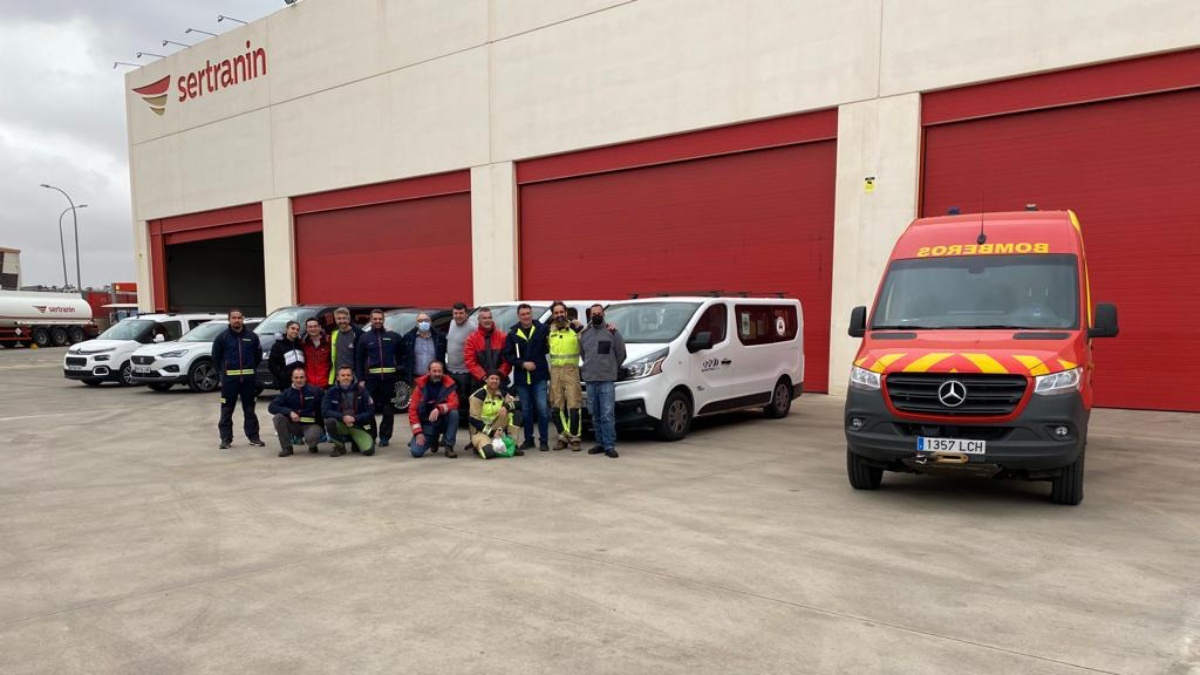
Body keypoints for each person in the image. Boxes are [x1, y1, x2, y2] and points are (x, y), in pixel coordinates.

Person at [212, 308, 265, 449]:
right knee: (226, 411)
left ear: (243, 319)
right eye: (234, 318)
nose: (237, 320)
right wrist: (223, 374)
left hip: (248, 381)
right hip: (229, 383)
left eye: (239, 317)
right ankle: (226, 439)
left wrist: (250, 369)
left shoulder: (252, 337)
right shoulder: (222, 338)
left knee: (249, 410)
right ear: (229, 320)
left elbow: (257, 356)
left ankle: (254, 437)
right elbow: (216, 359)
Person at [580, 304, 626, 458]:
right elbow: (583, 355)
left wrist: (611, 368)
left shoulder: (612, 333)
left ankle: (609, 445)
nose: (597, 315)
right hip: (590, 380)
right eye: (594, 313)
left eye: (599, 313)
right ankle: (599, 443)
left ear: (604, 314)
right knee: (595, 413)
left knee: (607, 414)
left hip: (606, 380)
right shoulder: (585, 334)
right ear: (590, 316)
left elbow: (621, 354)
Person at [504, 303, 550, 451]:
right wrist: (523, 364)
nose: (526, 317)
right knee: (526, 411)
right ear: (519, 316)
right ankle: (529, 439)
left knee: (542, 409)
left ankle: (544, 440)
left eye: (528, 313)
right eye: (523, 314)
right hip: (522, 379)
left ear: (532, 314)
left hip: (539, 377)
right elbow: (508, 356)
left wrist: (575, 324)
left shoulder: (542, 329)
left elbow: (557, 330)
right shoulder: (512, 334)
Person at [356, 309, 402, 446]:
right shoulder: (364, 338)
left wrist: (399, 372)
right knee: (369, 409)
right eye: (374, 319)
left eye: (380, 319)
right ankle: (371, 435)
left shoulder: (393, 336)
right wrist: (360, 379)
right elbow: (358, 359)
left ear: (383, 320)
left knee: (388, 410)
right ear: (370, 320)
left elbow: (402, 355)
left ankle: (385, 437)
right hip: (370, 381)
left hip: (389, 380)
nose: (377, 321)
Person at [546, 301, 585, 451]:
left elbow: (588, 341)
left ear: (566, 312)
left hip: (571, 370)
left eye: (561, 312)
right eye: (556, 313)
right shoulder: (549, 330)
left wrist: (581, 328)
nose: (559, 315)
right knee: (557, 406)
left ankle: (575, 437)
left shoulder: (575, 328)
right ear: (553, 315)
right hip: (555, 371)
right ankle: (562, 436)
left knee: (574, 405)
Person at [407, 361, 460, 458]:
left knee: (454, 413)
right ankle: (432, 440)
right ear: (428, 372)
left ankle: (449, 446)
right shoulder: (420, 387)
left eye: (439, 371)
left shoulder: (449, 384)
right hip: (428, 425)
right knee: (416, 452)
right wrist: (418, 432)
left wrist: (439, 409)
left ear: (443, 372)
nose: (437, 374)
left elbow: (455, 404)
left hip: (443, 422)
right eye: (434, 371)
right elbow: (412, 410)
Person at [267, 369, 325, 457]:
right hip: (294, 424)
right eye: (296, 378)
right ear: (292, 379)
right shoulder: (286, 393)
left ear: (306, 378)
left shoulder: (315, 391)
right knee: (278, 418)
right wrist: (289, 412)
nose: (299, 380)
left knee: (313, 437)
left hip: (311, 424)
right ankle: (287, 448)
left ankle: (313, 445)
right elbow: (272, 407)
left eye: (301, 377)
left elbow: (324, 407)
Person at [469, 370, 524, 459]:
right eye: (492, 378)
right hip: (480, 431)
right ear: (486, 380)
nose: (494, 381)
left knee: (515, 414)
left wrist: (506, 406)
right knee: (489, 453)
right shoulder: (477, 396)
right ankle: (479, 446)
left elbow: (519, 404)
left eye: (497, 379)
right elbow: (474, 421)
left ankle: (514, 445)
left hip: (497, 428)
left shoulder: (502, 393)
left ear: (499, 381)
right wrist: (492, 433)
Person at [322, 366, 376, 457]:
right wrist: (342, 417)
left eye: (348, 375)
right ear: (338, 377)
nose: (345, 377)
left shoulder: (362, 391)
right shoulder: (331, 392)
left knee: (369, 451)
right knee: (329, 422)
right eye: (343, 375)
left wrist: (355, 418)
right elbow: (325, 411)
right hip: (341, 424)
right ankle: (340, 446)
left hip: (358, 425)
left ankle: (355, 441)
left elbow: (371, 411)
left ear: (352, 377)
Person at [464, 307, 511, 389]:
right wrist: (484, 377)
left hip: (500, 381)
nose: (487, 320)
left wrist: (498, 375)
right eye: (484, 318)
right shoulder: (472, 339)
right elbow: (470, 361)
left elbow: (508, 359)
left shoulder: (503, 337)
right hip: (479, 382)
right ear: (479, 319)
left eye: (489, 318)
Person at [444, 301, 477, 413]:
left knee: (464, 399)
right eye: (456, 313)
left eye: (461, 313)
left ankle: (467, 423)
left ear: (466, 314)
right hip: (451, 370)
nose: (458, 316)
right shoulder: (452, 323)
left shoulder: (472, 327)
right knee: (452, 398)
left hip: (465, 372)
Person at [399, 312, 448, 383]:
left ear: (430, 322)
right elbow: (402, 356)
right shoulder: (408, 338)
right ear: (416, 323)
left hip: (435, 377)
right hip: (415, 378)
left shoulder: (439, 337)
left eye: (426, 320)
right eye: (420, 321)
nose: (423, 323)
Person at [327, 307, 361, 386]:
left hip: (354, 377)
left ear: (349, 319)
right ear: (335, 320)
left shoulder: (357, 334)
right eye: (339, 318)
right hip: (338, 377)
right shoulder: (333, 334)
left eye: (344, 318)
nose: (342, 321)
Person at [268, 320, 306, 390]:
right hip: (285, 384)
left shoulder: (300, 345)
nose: (295, 331)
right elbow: (272, 365)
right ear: (287, 329)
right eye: (293, 328)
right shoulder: (278, 345)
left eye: (297, 329)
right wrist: (282, 376)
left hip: (300, 382)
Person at [302, 317, 331, 389]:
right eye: (310, 327)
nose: (313, 329)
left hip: (325, 384)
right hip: (308, 385)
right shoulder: (303, 343)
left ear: (320, 327)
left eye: (315, 326)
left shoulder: (329, 341)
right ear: (306, 329)